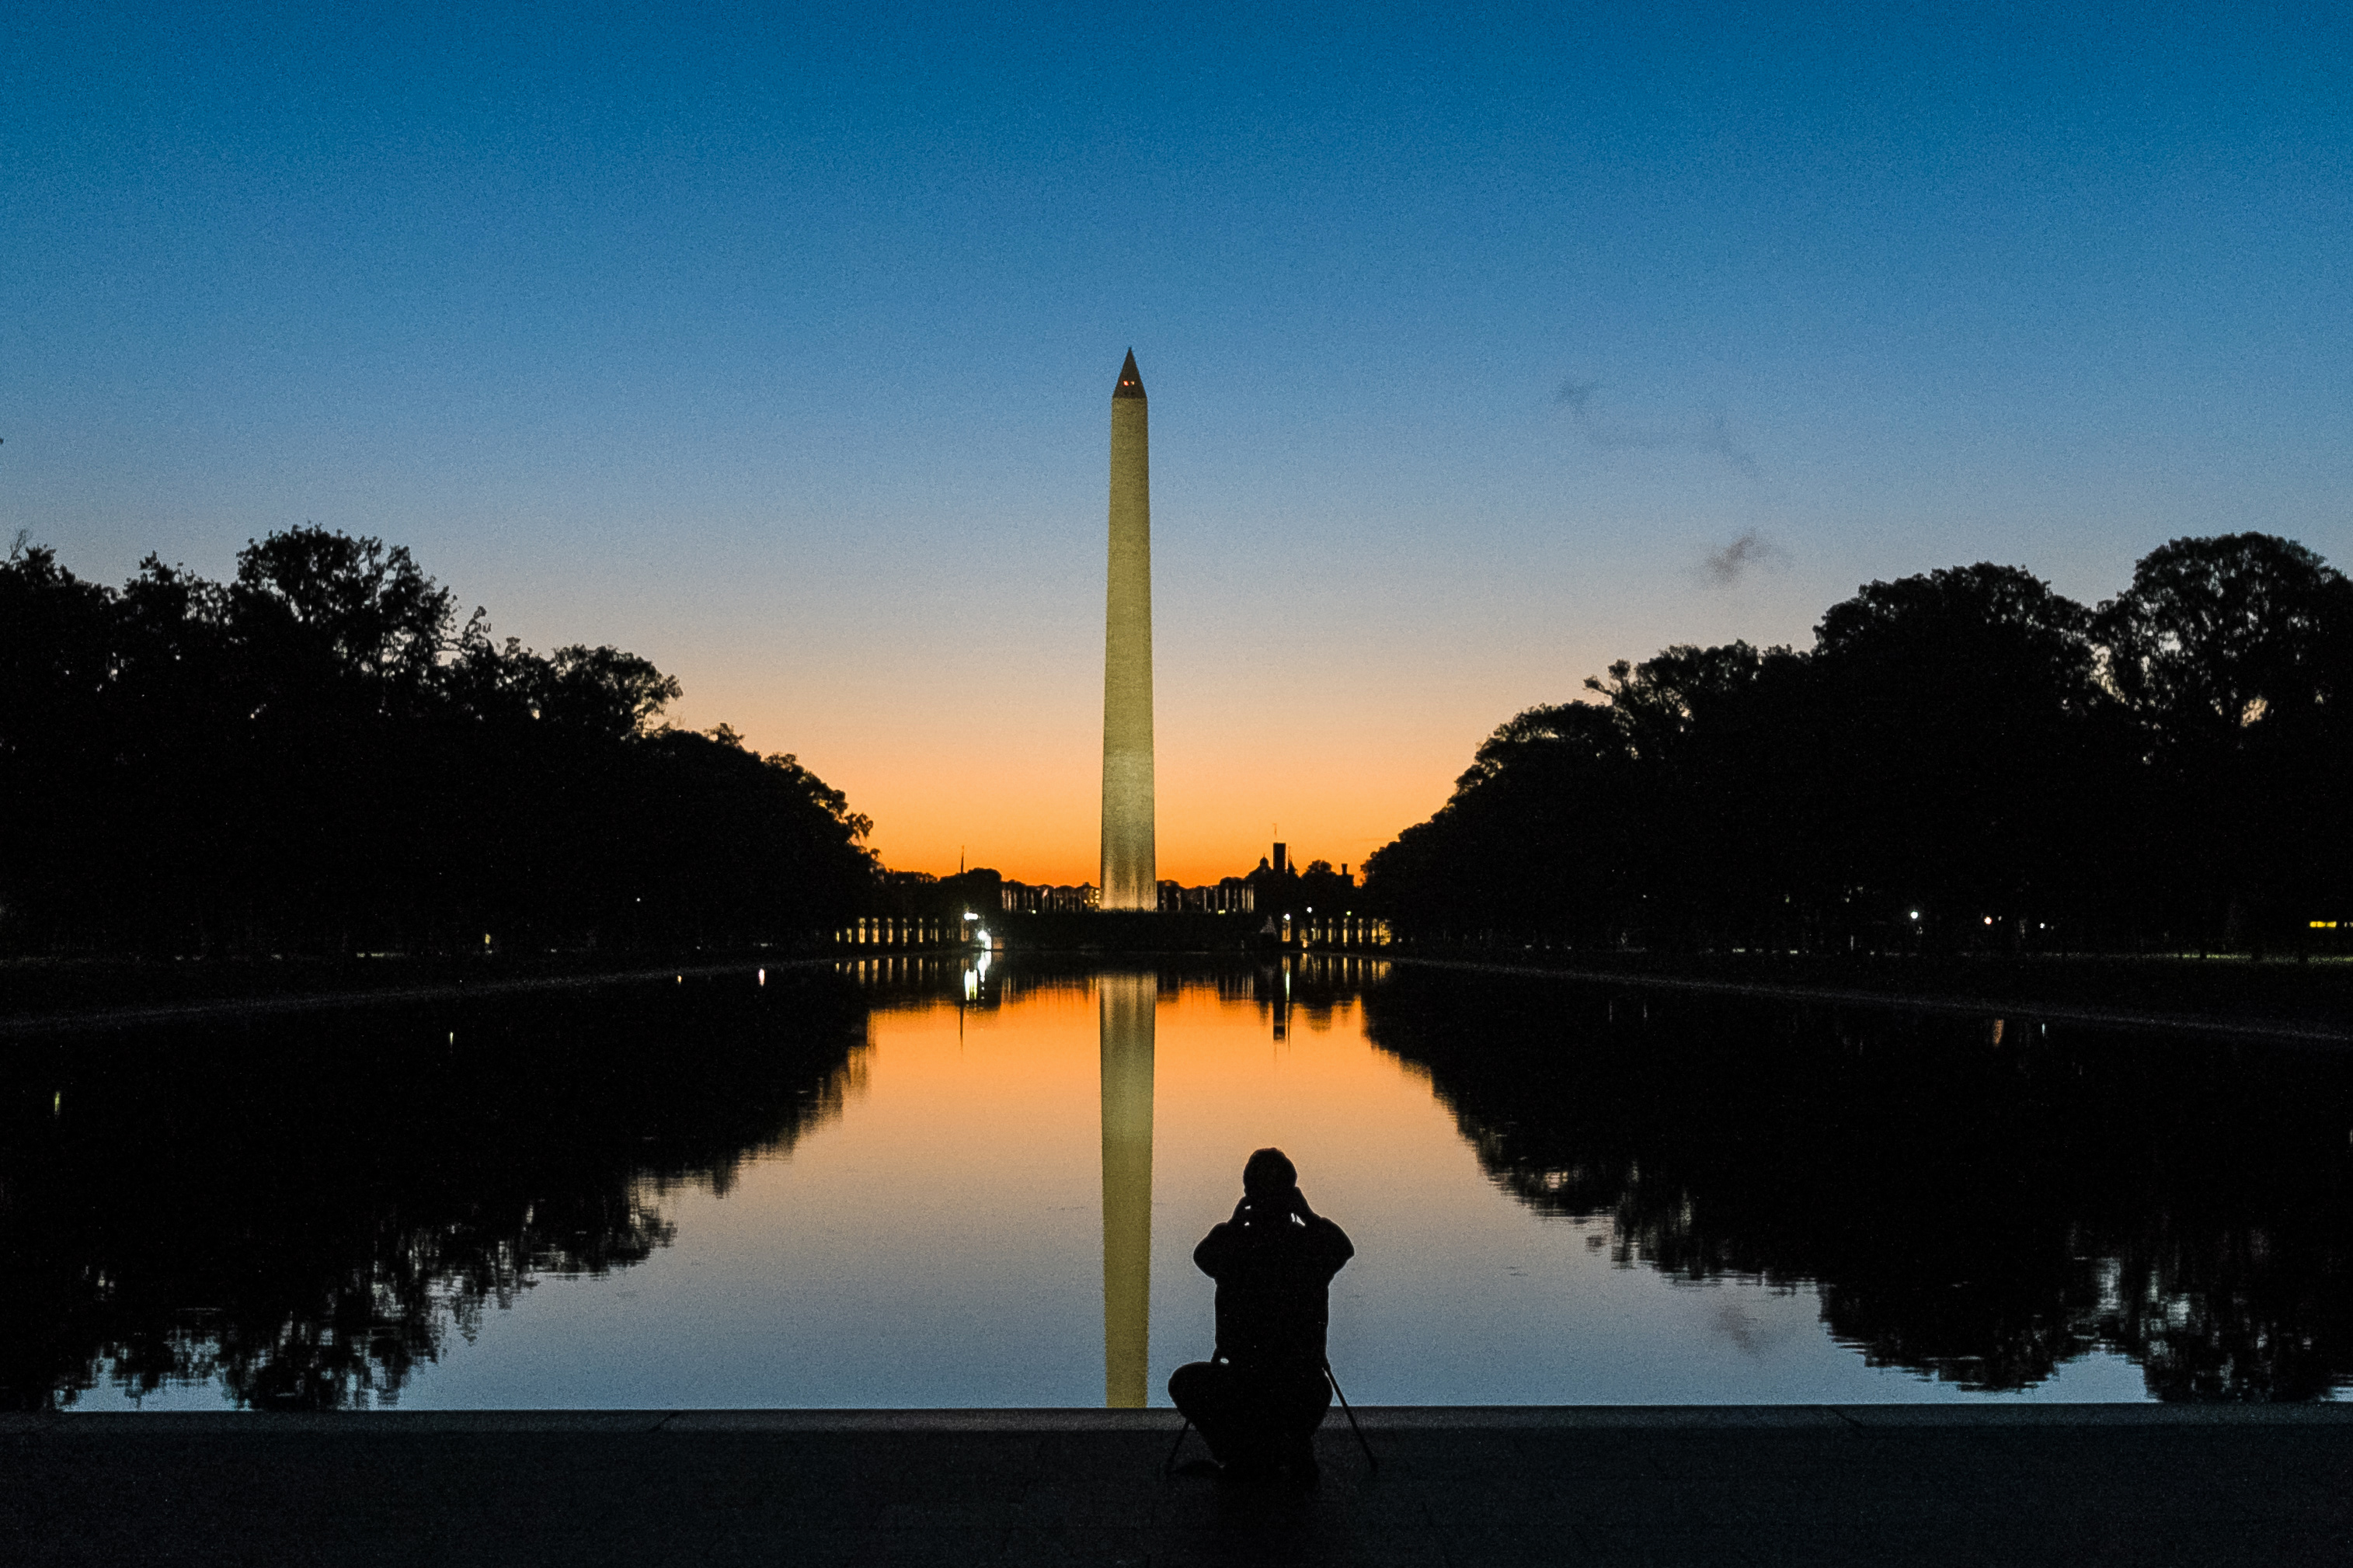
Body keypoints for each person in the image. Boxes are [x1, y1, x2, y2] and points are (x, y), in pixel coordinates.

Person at [1167, 1147, 1355, 1483]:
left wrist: (1233, 1224)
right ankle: (1285, 1448)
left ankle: (1238, 1455)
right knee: (1312, 1391)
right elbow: (1343, 1248)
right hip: (1300, 1382)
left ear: (1247, 1196)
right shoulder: (1310, 1246)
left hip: (1245, 1380)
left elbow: (1204, 1256)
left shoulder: (1235, 1246)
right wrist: (1309, 1216)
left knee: (1185, 1383)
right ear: (1293, 1196)